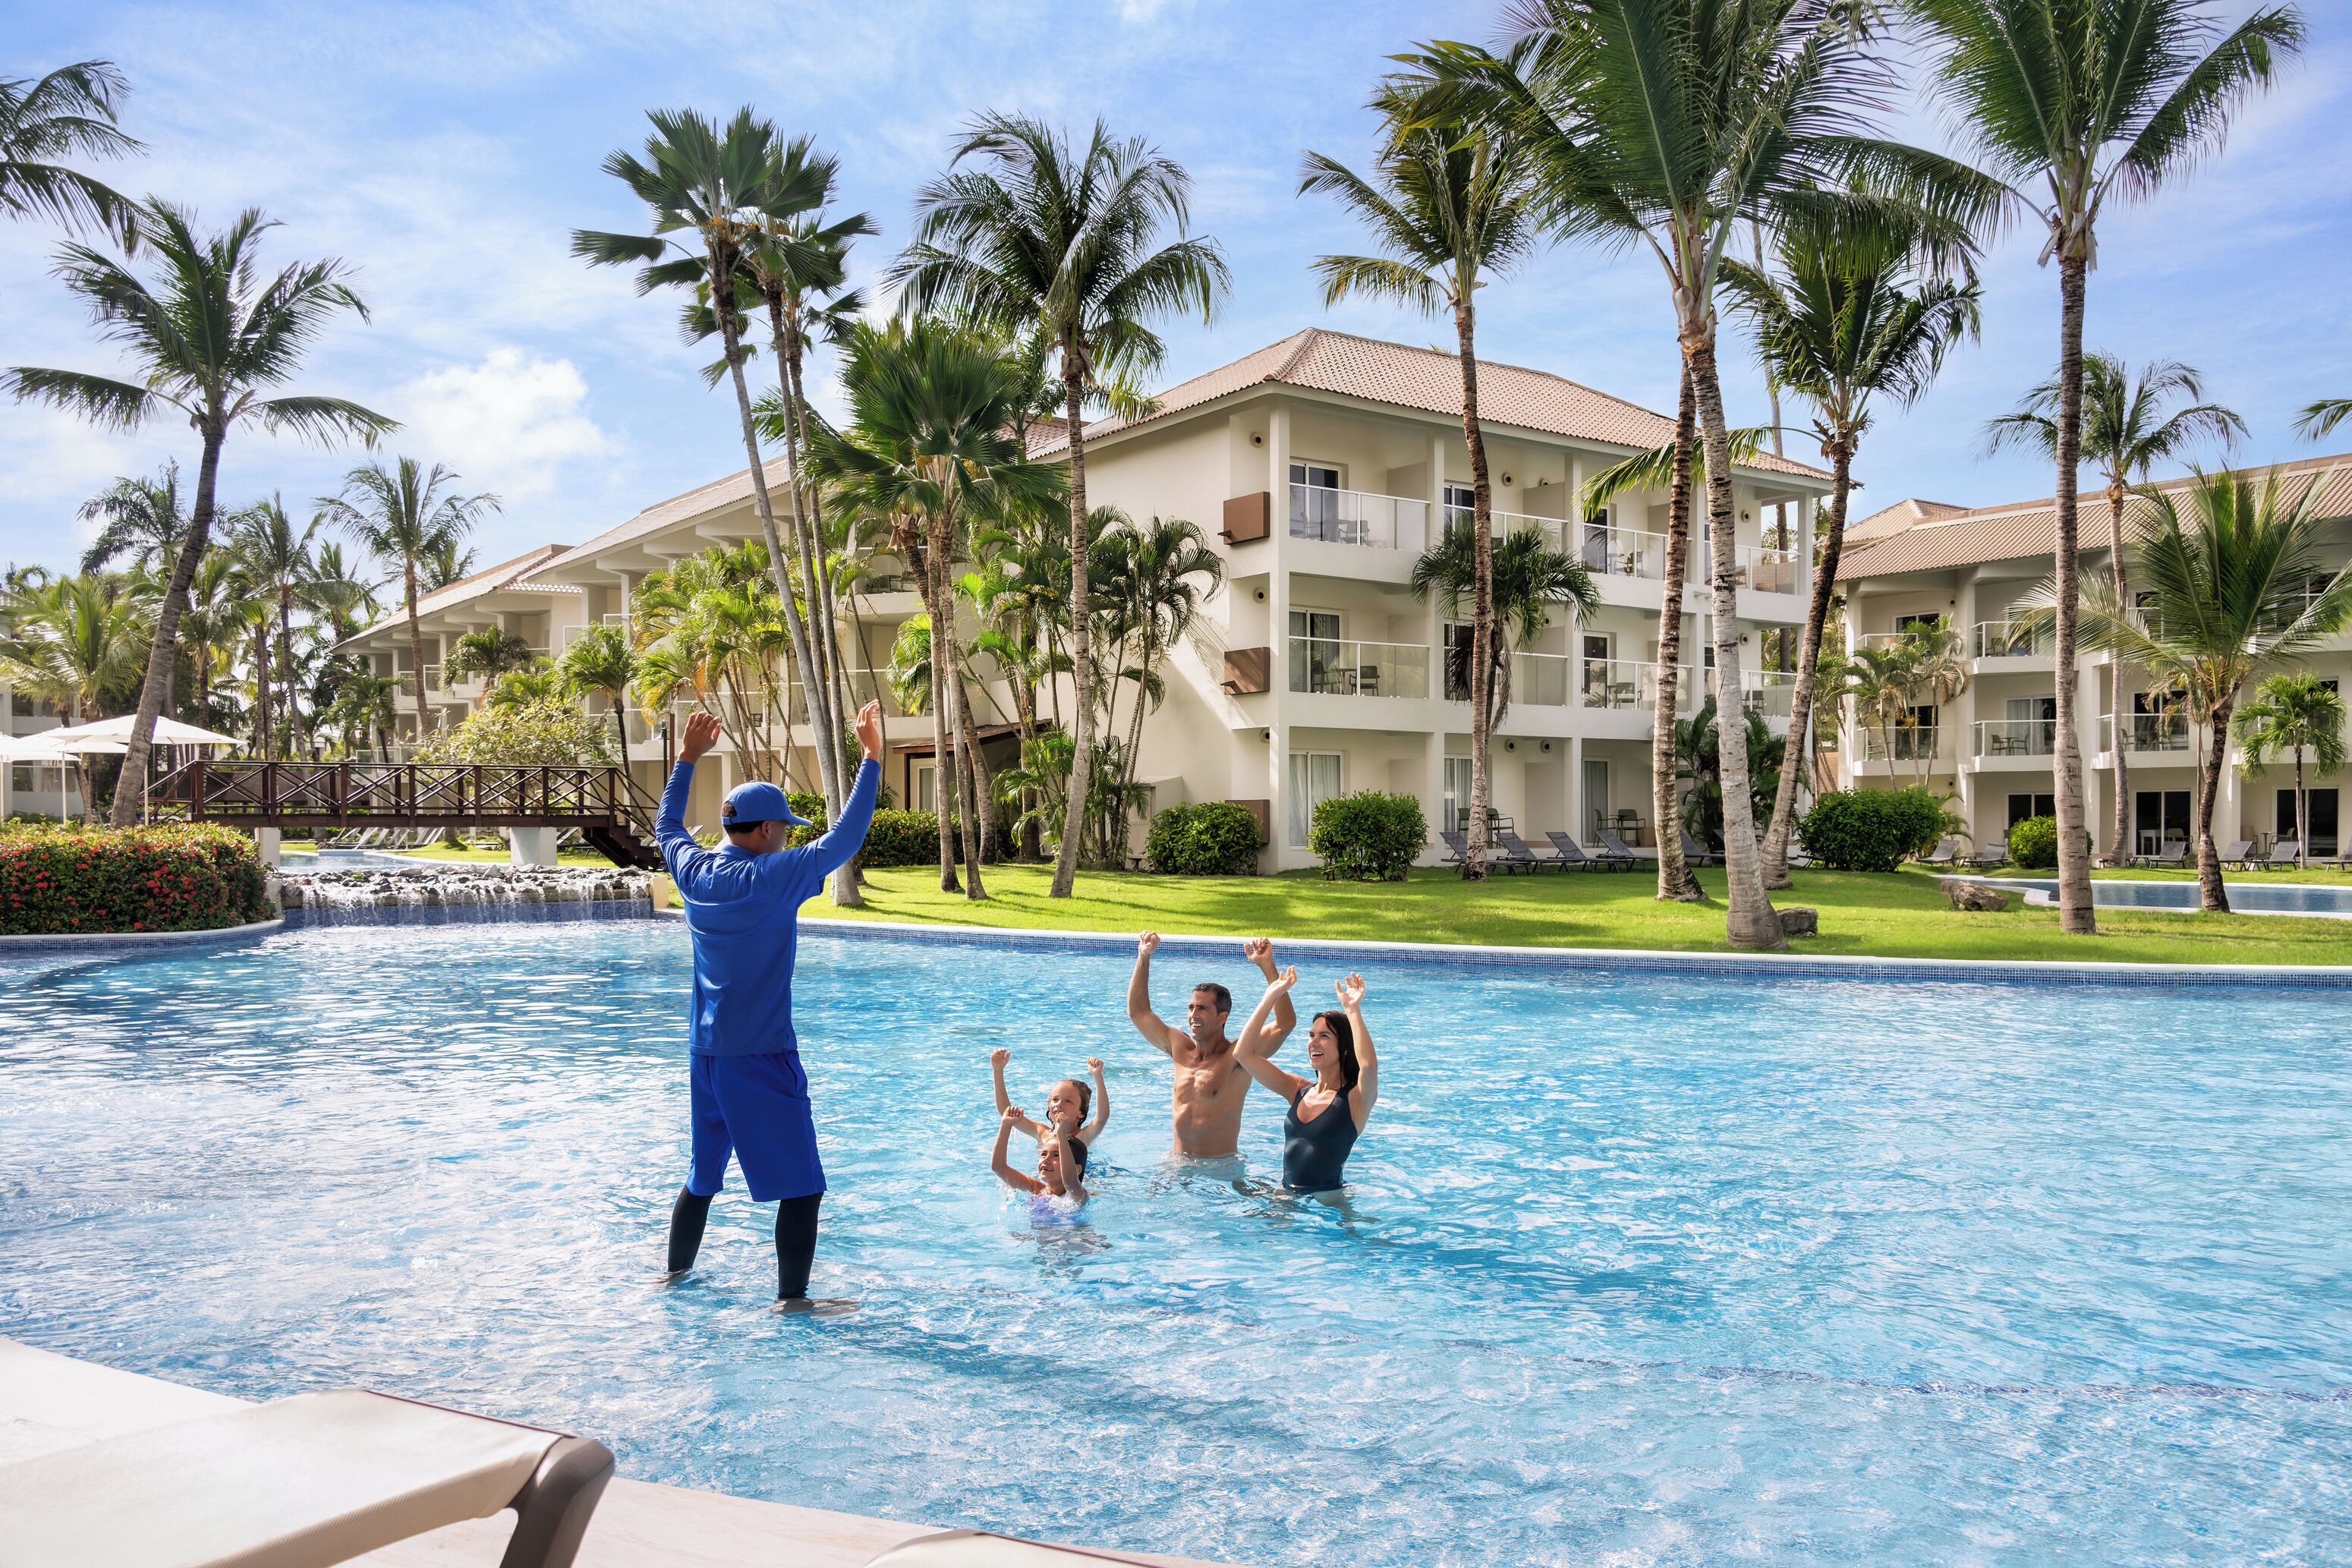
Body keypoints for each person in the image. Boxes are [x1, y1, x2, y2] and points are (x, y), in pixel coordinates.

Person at [656, 701, 883, 1312]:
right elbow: (847, 838)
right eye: (782, 827)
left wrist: (686, 760)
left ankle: (672, 1279)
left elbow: (666, 827)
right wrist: (871, 758)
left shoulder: (694, 872)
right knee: (803, 1187)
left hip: (705, 1056)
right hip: (760, 1055)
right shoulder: (770, 877)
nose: (786, 835)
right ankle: (793, 1301)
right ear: (761, 833)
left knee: (703, 1178)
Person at [1126, 933, 1294, 1158]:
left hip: (1221, 1167)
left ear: (1222, 1017)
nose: (1193, 1015)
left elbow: (1284, 1025)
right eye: (1191, 1007)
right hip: (1178, 1163)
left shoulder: (1239, 1056)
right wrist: (1143, 956)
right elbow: (1139, 1012)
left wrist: (1268, 967)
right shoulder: (1180, 1048)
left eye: (1202, 1009)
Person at [1232, 968, 1379, 1195]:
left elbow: (1368, 1066)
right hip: (1286, 1196)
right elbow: (1243, 1055)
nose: (1313, 1043)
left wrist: (1352, 1010)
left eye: (1324, 1036)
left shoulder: (1355, 1100)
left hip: (1330, 1203)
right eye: (1311, 1036)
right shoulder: (1297, 1090)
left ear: (1346, 1049)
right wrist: (1269, 997)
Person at [990, 1048, 1108, 1176]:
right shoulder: (1042, 1133)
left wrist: (1098, 1076)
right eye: (1055, 1100)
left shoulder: (1082, 1137)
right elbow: (1005, 1112)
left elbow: (1102, 1118)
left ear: (1081, 1113)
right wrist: (998, 1071)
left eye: (1068, 1101)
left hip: (1085, 1174)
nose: (1059, 1104)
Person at [991, 1105, 1088, 1217]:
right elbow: (998, 1167)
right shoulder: (1036, 1189)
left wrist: (1061, 1135)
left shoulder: (1077, 1195)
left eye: (1056, 1155)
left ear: (1076, 1169)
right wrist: (1006, 1126)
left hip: (1076, 1234)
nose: (1046, 1159)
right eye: (1043, 1154)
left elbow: (1070, 1181)